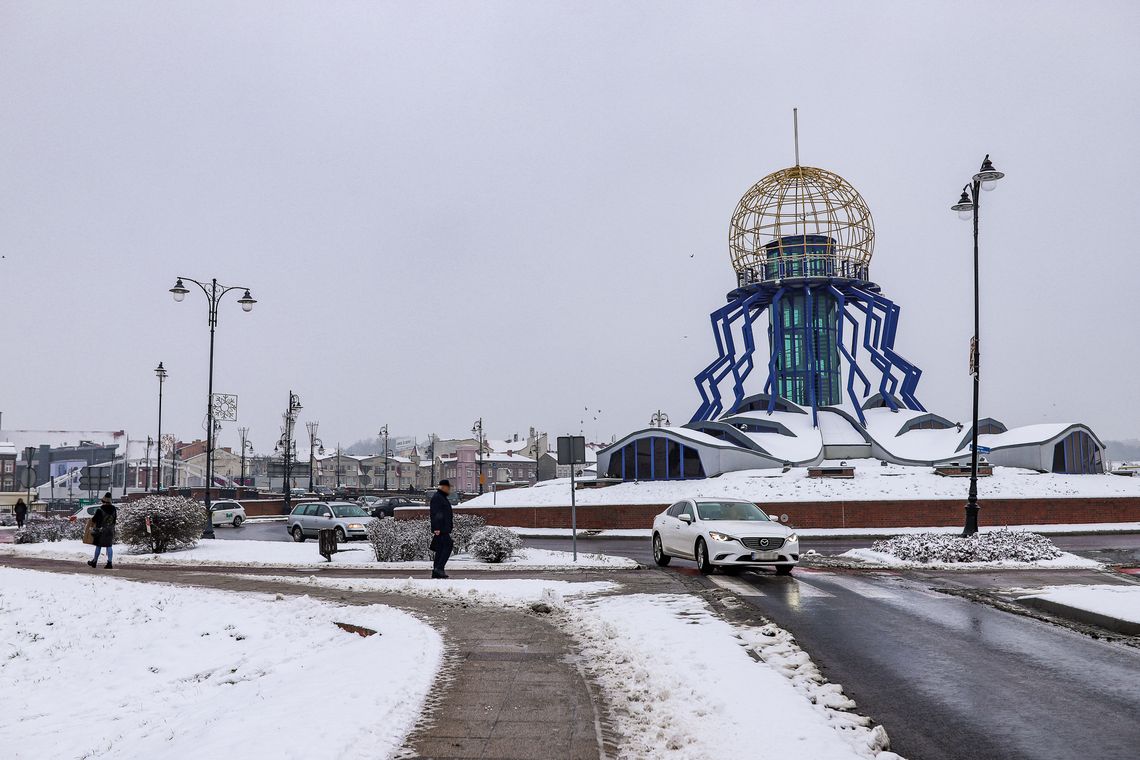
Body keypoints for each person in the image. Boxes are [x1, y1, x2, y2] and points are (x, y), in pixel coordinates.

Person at [428, 479, 454, 579]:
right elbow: (435, 513)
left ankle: (436, 571)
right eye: (448, 488)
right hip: (441, 529)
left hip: (443, 528)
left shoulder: (441, 497)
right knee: (448, 545)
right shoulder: (438, 498)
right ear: (444, 487)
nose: (450, 490)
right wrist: (437, 528)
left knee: (440, 549)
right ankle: (439, 568)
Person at [87, 493, 117, 570]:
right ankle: (109, 563)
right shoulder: (114, 509)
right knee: (109, 546)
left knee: (98, 546)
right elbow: (114, 520)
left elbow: (94, 519)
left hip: (101, 531)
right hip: (110, 530)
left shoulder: (100, 510)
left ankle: (94, 562)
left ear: (103, 501)